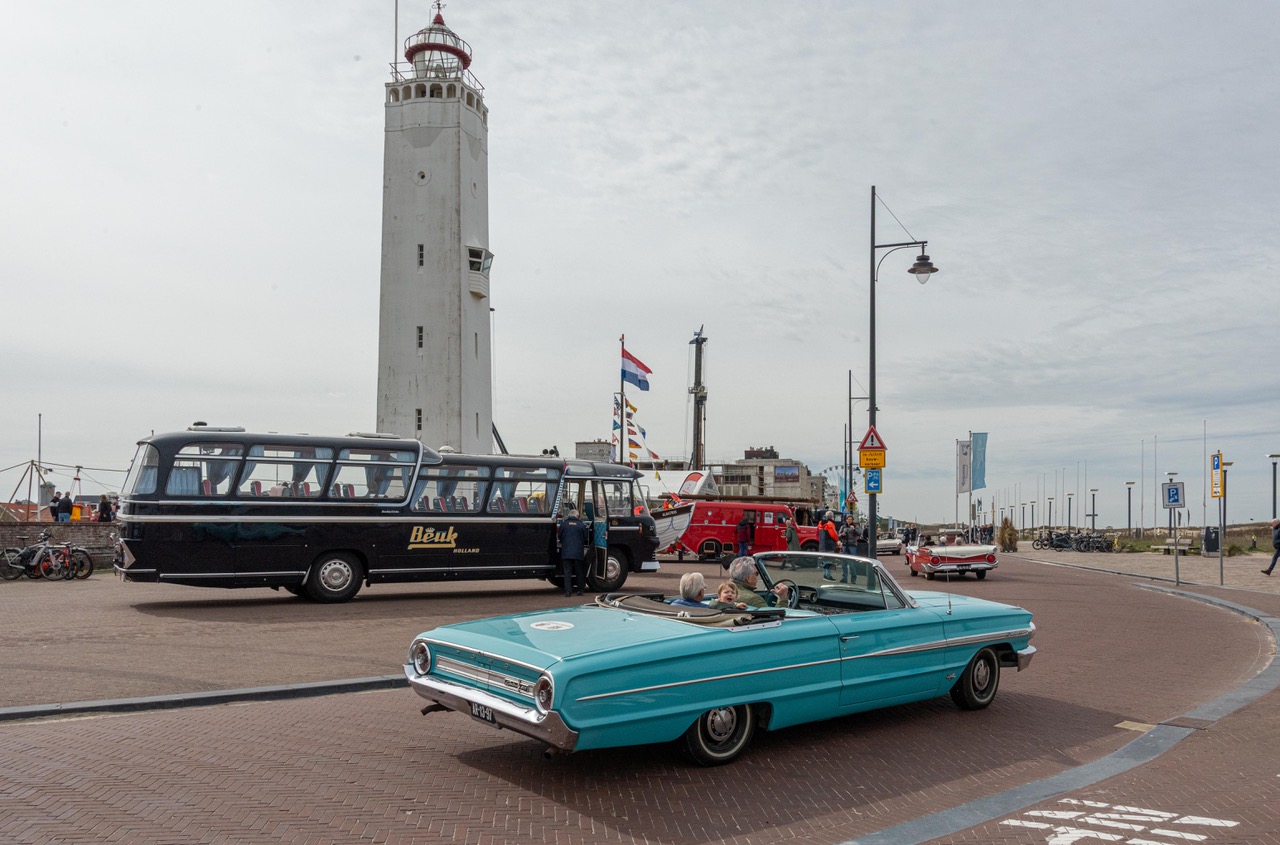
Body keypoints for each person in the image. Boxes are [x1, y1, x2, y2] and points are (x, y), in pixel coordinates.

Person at [558, 507, 590, 596]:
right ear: (577, 516)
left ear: (569, 515)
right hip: (578, 552)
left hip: (566, 552)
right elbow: (585, 538)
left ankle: (568, 591)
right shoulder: (581, 525)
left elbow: (560, 537)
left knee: (567, 572)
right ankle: (580, 590)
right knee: (579, 571)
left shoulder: (564, 524)